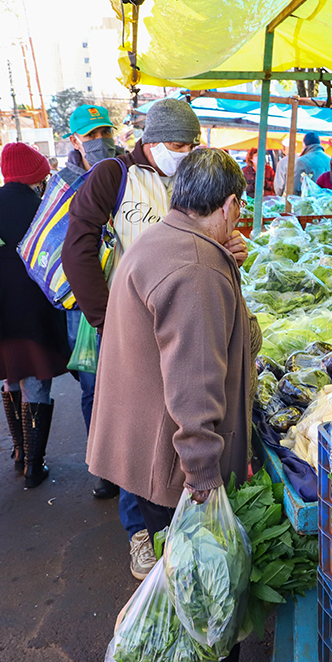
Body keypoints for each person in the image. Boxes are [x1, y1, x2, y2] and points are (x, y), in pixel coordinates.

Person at [87, 150, 259, 662]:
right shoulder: (196, 267)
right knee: (200, 607)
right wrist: (204, 477)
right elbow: (194, 383)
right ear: (230, 204)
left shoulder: (162, 239)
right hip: (173, 461)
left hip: (142, 445)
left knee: (183, 597)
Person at [63, 97, 214, 581]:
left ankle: (172, 520)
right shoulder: (113, 176)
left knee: (174, 425)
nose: (186, 152)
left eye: (192, 144)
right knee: (135, 433)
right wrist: (109, 322)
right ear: (150, 140)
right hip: (130, 328)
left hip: (180, 322)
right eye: (177, 143)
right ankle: (138, 534)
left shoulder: (187, 179)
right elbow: (77, 247)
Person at [0, 142, 70, 489]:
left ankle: (21, 450)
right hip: (34, 311)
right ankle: (34, 466)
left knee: (10, 375)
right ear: (35, 174)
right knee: (35, 378)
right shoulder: (43, 206)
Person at [45, 104, 122, 501]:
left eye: (104, 131)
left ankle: (131, 459)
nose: (99, 141)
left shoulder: (129, 171)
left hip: (126, 290)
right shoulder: (64, 182)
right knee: (95, 386)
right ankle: (105, 466)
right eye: (90, 135)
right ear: (73, 140)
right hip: (83, 301)